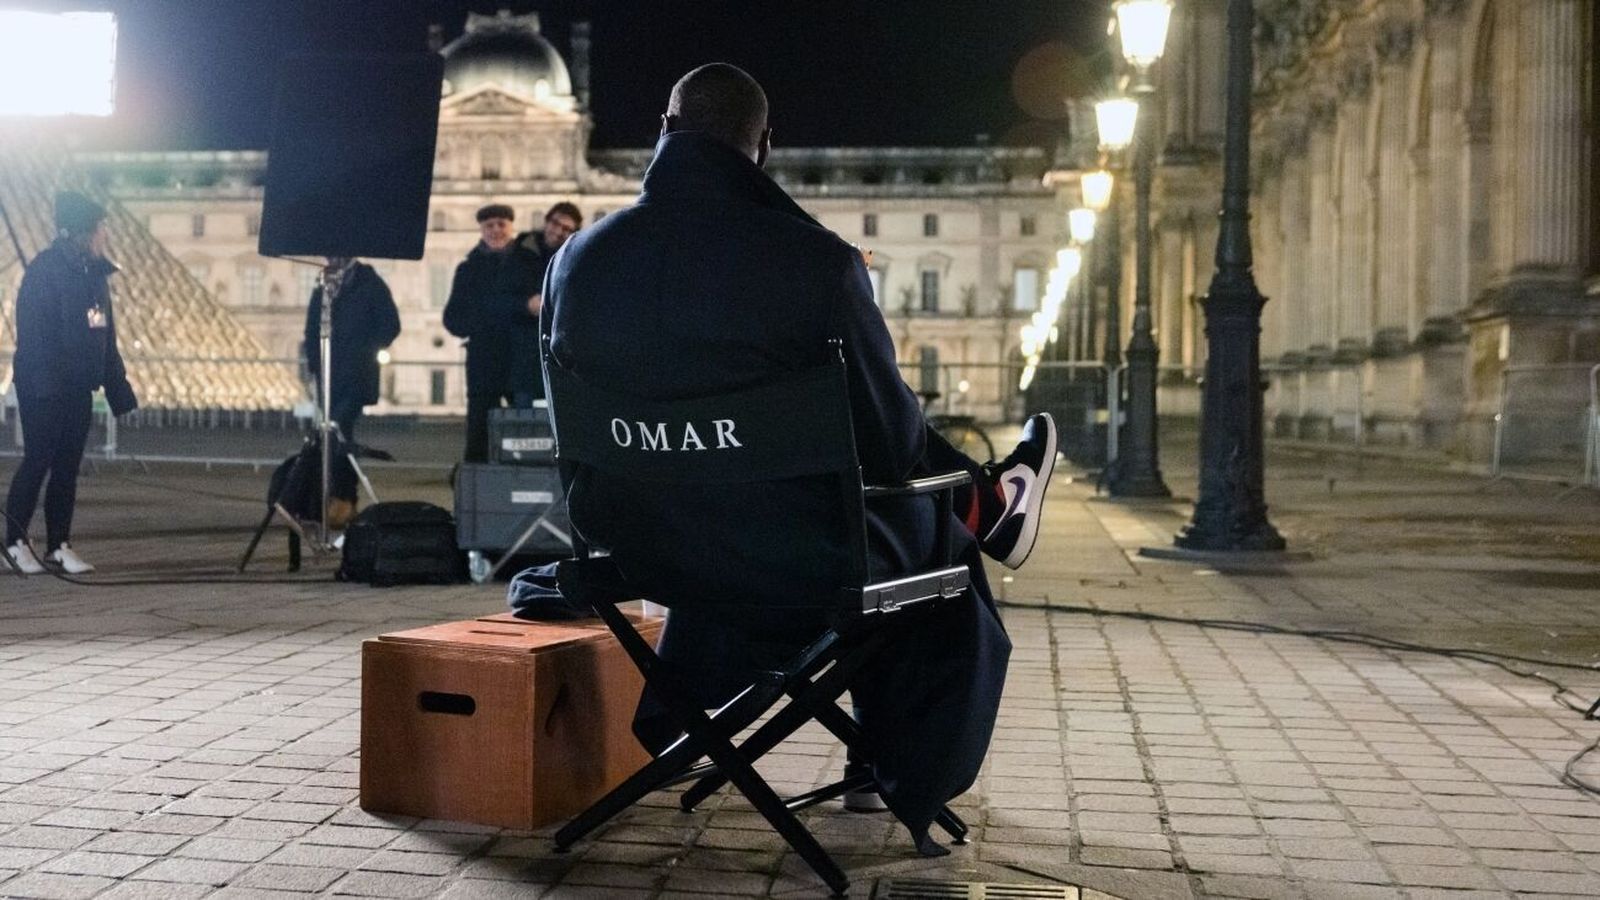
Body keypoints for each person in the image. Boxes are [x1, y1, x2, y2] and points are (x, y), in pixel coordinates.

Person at [541, 63, 1056, 852]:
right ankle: (895, 758)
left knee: (820, 521)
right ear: (764, 148)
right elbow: (892, 449)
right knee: (929, 542)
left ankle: (703, 724)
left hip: (640, 550)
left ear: (664, 130)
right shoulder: (818, 261)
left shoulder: (575, 259)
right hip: (794, 557)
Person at [5, 192, 138, 575]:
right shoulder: (44, 272)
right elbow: (34, 337)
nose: (105, 235)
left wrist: (119, 391)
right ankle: (14, 543)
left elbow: (105, 339)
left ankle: (58, 545)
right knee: (39, 459)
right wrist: (48, 386)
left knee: (67, 465)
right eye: (101, 228)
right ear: (82, 232)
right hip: (44, 385)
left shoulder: (95, 276)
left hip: (78, 386)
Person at [444, 203, 563, 462]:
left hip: (522, 361)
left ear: (511, 227)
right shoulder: (468, 269)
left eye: (501, 224)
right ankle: (478, 479)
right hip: (487, 361)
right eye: (489, 225)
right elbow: (452, 319)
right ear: (481, 229)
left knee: (531, 433)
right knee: (480, 432)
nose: (496, 230)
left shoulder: (530, 262)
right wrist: (507, 312)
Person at [300, 256, 401, 522]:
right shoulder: (323, 283)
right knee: (334, 437)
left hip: (356, 375)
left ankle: (343, 499)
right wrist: (315, 364)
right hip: (328, 375)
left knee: (338, 432)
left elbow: (391, 324)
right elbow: (311, 328)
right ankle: (337, 498)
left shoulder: (369, 282)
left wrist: (365, 351)